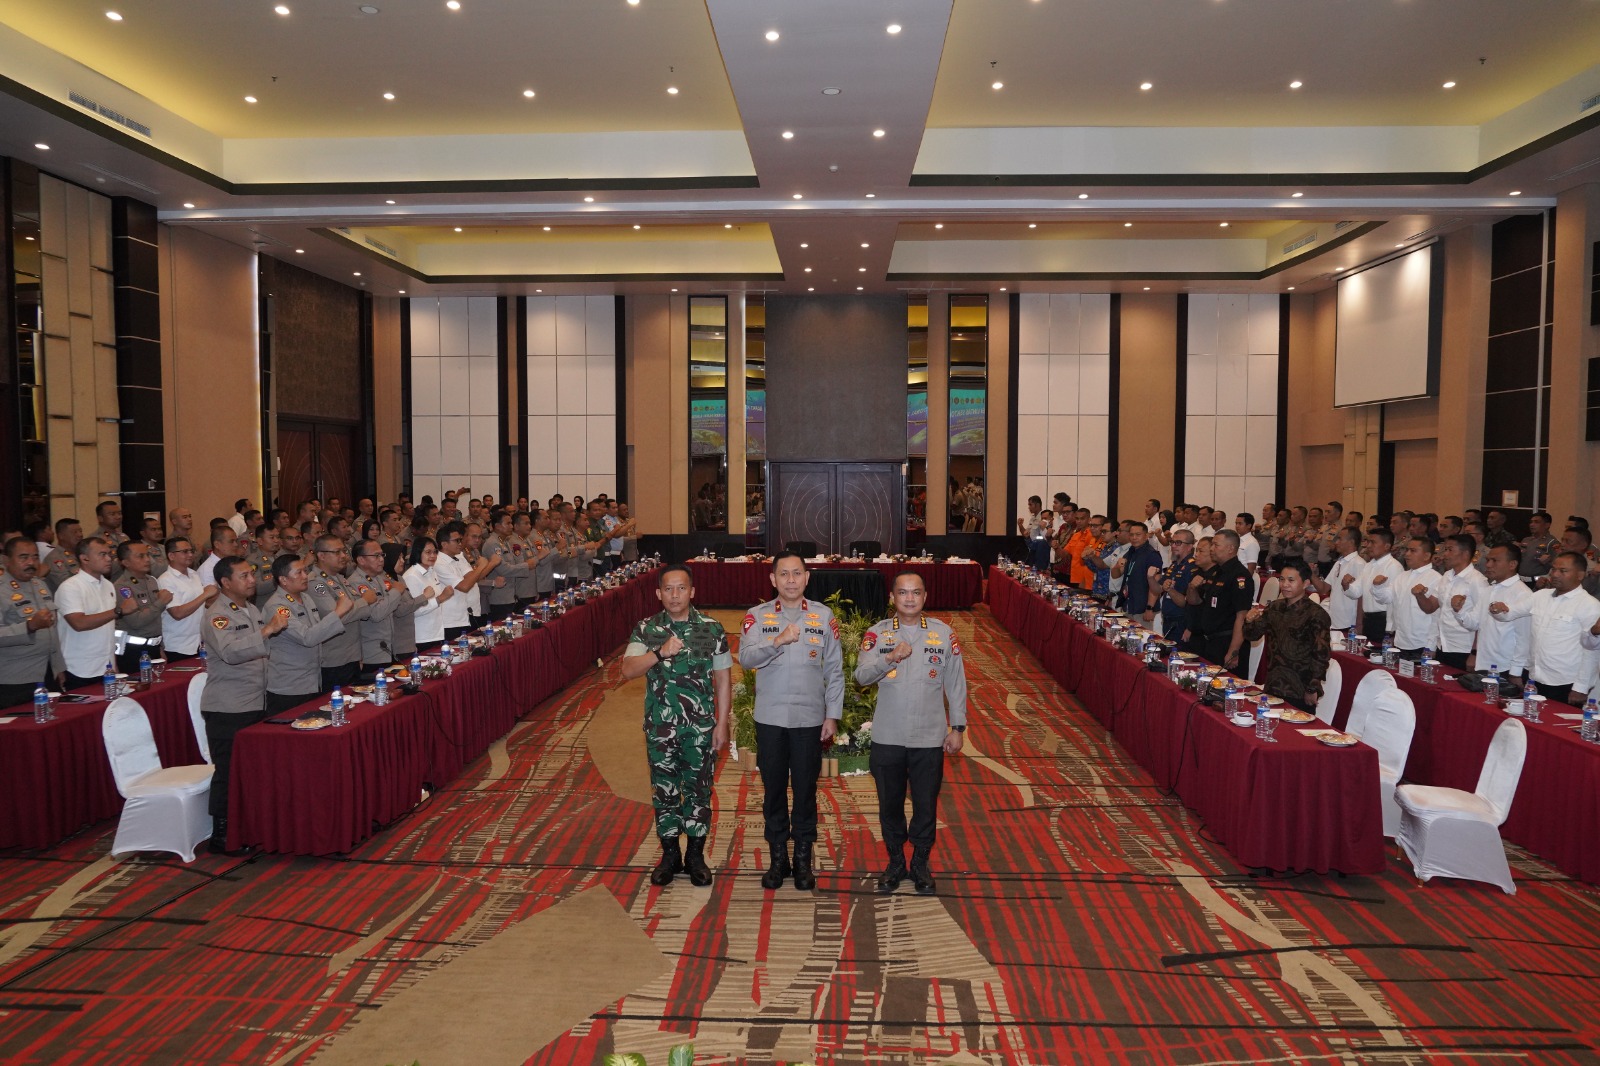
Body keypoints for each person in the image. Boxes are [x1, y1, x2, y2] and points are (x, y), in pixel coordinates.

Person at [853, 573, 967, 895]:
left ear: (925, 597)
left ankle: (919, 863)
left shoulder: (943, 634)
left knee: (925, 805)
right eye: (902, 593)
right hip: (888, 735)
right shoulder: (877, 634)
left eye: (916, 593)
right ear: (892, 598)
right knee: (889, 805)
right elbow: (861, 676)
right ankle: (895, 862)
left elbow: (956, 683)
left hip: (929, 737)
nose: (909, 598)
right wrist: (888, 658)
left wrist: (957, 727)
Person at [620, 564, 732, 888]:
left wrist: (722, 724)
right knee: (665, 791)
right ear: (659, 593)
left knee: (699, 790)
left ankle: (695, 856)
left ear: (692, 591)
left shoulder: (712, 629)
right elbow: (627, 670)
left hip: (700, 729)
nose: (675, 595)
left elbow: (723, 679)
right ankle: (670, 855)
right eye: (668, 589)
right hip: (660, 729)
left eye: (681, 588)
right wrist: (659, 653)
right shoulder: (647, 629)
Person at [737, 553, 843, 892]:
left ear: (807, 577)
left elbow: (835, 670)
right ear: (773, 580)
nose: (791, 580)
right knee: (773, 790)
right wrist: (777, 641)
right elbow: (746, 658)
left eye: (797, 573)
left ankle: (802, 860)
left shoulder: (823, 616)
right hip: (771, 718)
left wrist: (832, 715)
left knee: (805, 790)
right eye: (784, 574)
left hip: (809, 719)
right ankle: (778, 858)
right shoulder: (757, 616)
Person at [201, 557, 289, 855]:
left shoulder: (250, 609)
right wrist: (266, 631)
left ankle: (248, 828)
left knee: (250, 771)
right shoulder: (218, 615)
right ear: (225, 582)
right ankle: (221, 835)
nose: (252, 580)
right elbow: (230, 652)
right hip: (228, 706)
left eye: (252, 574)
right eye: (244, 576)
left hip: (255, 701)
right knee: (227, 772)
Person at [1488, 551, 1600, 704]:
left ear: (1580, 575)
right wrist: (1497, 609)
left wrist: (1581, 687)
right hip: (1534, 676)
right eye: (1553, 569)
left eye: (1563, 571)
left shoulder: (1590, 605)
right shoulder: (1540, 596)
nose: (1555, 574)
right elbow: (1508, 614)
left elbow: (1592, 651)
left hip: (1565, 682)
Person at [263, 553, 354, 714]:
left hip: (312, 680)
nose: (305, 576)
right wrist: (338, 612)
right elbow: (307, 637)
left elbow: (317, 630)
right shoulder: (277, 606)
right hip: (289, 687)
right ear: (283, 580)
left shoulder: (305, 598)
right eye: (299, 572)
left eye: (305, 571)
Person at [1241, 559, 1331, 709]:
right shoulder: (1274, 607)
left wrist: (1312, 688)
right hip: (1273, 683)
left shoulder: (1316, 614)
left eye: (1291, 580)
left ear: (1305, 583)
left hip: (1299, 689)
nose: (1285, 585)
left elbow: (1321, 655)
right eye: (1282, 579)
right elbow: (1252, 636)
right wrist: (1249, 621)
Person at [305, 535, 379, 691]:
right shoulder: (315, 583)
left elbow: (362, 612)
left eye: (344, 551)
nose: (344, 556)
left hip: (352, 655)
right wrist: (364, 601)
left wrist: (361, 606)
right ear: (321, 555)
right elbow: (338, 616)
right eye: (337, 552)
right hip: (334, 659)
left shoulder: (341, 579)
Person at [0, 537, 62, 707]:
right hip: (15, 679)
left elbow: (53, 631)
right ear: (6, 560)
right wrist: (29, 626)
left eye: (35, 557)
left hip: (47, 674)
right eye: (23, 557)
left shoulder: (39, 585)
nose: (31, 562)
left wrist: (58, 667)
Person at [55, 536, 122, 689]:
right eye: (102, 554)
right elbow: (79, 623)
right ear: (84, 558)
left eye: (109, 554)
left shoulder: (108, 585)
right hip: (79, 668)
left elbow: (109, 629)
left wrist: (114, 663)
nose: (109, 559)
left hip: (106, 667)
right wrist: (117, 611)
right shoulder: (71, 587)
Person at [350, 538, 422, 676]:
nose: (381, 559)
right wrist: (396, 592)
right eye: (376, 555)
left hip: (389, 649)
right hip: (371, 654)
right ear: (361, 560)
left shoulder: (380, 578)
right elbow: (376, 614)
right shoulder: (356, 583)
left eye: (382, 555)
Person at [1185, 529, 1252, 669]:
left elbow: (1242, 617)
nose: (1212, 549)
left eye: (1216, 545)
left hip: (1227, 642)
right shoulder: (1217, 572)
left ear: (1230, 549)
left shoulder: (1240, 576)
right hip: (1210, 642)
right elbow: (1198, 602)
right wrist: (1192, 588)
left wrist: (1233, 651)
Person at [111, 541, 172, 674]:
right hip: (133, 651)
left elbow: (156, 619)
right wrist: (161, 602)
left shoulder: (152, 581)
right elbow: (136, 621)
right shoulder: (122, 587)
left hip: (154, 647)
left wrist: (160, 647)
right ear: (126, 562)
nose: (147, 559)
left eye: (147, 555)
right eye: (140, 556)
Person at [1475, 543, 1532, 680]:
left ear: (1512, 564)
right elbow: (1474, 623)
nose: (1488, 565)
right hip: (1484, 662)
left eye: (1495, 561)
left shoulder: (1523, 594)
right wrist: (1459, 611)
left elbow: (1525, 638)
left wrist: (1516, 672)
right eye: (1488, 560)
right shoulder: (1489, 589)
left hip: (1505, 667)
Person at [1433, 534, 1488, 669]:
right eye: (1445, 549)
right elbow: (1439, 611)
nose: (1445, 554)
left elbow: (1483, 621)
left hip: (1463, 648)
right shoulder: (1447, 575)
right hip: (1443, 644)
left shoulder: (1477, 580)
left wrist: (1474, 653)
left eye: (1450, 550)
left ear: (1465, 554)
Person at [157, 536, 216, 662]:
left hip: (199, 643)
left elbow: (203, 604)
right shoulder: (166, 580)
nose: (190, 555)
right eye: (185, 552)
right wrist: (205, 594)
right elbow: (177, 613)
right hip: (178, 646)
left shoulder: (194, 574)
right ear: (171, 556)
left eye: (191, 551)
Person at [1379, 536, 1441, 656]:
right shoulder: (1402, 576)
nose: (1407, 554)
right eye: (1407, 550)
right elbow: (1386, 598)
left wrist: (1431, 646)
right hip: (1400, 640)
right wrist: (1377, 587)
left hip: (1422, 644)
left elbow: (1435, 617)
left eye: (1413, 551)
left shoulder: (1436, 579)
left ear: (1426, 556)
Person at [402, 537, 454, 648]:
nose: (433, 556)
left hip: (436, 633)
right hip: (422, 636)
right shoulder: (411, 576)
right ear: (418, 552)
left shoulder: (431, 571)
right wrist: (440, 598)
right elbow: (414, 610)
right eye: (428, 552)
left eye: (435, 552)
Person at [1314, 527, 1364, 635]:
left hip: (1348, 623)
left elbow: (1361, 596)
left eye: (1340, 539)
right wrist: (1310, 574)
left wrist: (1359, 625)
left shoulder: (1359, 564)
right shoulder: (1339, 562)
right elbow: (1323, 589)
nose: (1336, 542)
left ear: (1351, 542)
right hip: (1334, 620)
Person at [1358, 528, 1404, 645]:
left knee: (1379, 653)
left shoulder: (1394, 566)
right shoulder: (1369, 565)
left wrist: (1377, 587)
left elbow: (1391, 598)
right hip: (1368, 618)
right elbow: (1356, 592)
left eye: (1373, 542)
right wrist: (1346, 585)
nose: (1368, 546)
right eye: (1368, 542)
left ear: (1387, 546)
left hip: (1383, 620)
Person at [42, 517, 83, 592]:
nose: (80, 535)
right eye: (75, 532)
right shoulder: (55, 557)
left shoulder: (83, 553)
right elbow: (66, 585)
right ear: (61, 536)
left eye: (80, 531)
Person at [1018, 495, 1050, 570]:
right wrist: (1020, 525)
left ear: (1037, 505)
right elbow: (1026, 534)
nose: (1029, 507)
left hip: (1040, 550)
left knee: (1039, 571)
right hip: (1031, 548)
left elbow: (1045, 536)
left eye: (1030, 504)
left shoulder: (1043, 517)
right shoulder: (1032, 518)